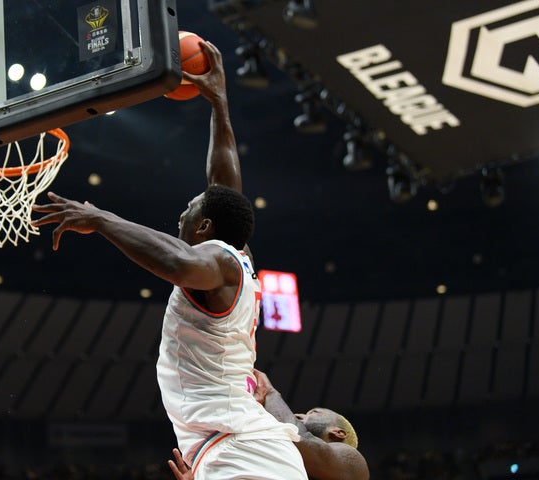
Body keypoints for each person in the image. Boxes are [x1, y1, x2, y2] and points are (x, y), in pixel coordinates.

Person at [31, 41, 306, 480]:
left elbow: (177, 261)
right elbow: (224, 187)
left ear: (204, 228)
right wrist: (219, 105)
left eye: (189, 211)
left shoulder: (217, 263)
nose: (182, 214)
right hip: (242, 449)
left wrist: (101, 218)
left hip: (241, 452)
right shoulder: (236, 259)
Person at [167, 368, 370, 480]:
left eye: (313, 413)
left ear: (338, 433)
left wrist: (271, 394)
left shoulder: (353, 465)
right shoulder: (279, 459)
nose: (298, 416)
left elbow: (305, 442)